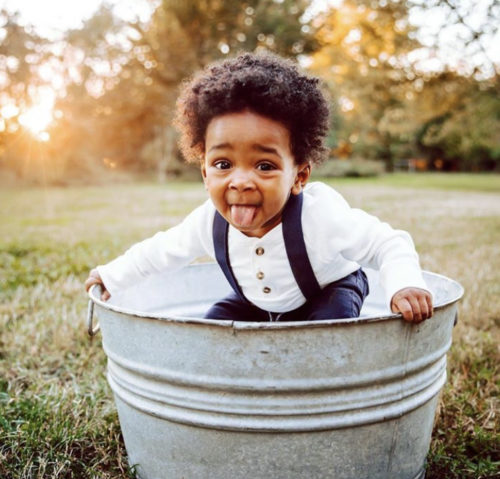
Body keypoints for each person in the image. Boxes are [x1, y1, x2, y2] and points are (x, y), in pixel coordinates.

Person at [85, 52, 433, 323]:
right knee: (214, 327)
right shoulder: (207, 222)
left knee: (329, 330)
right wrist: (111, 276)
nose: (240, 181)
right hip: (260, 303)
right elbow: (158, 253)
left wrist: (406, 283)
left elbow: (387, 243)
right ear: (205, 172)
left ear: (299, 176)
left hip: (328, 293)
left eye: (264, 166)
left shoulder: (319, 215)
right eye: (223, 165)